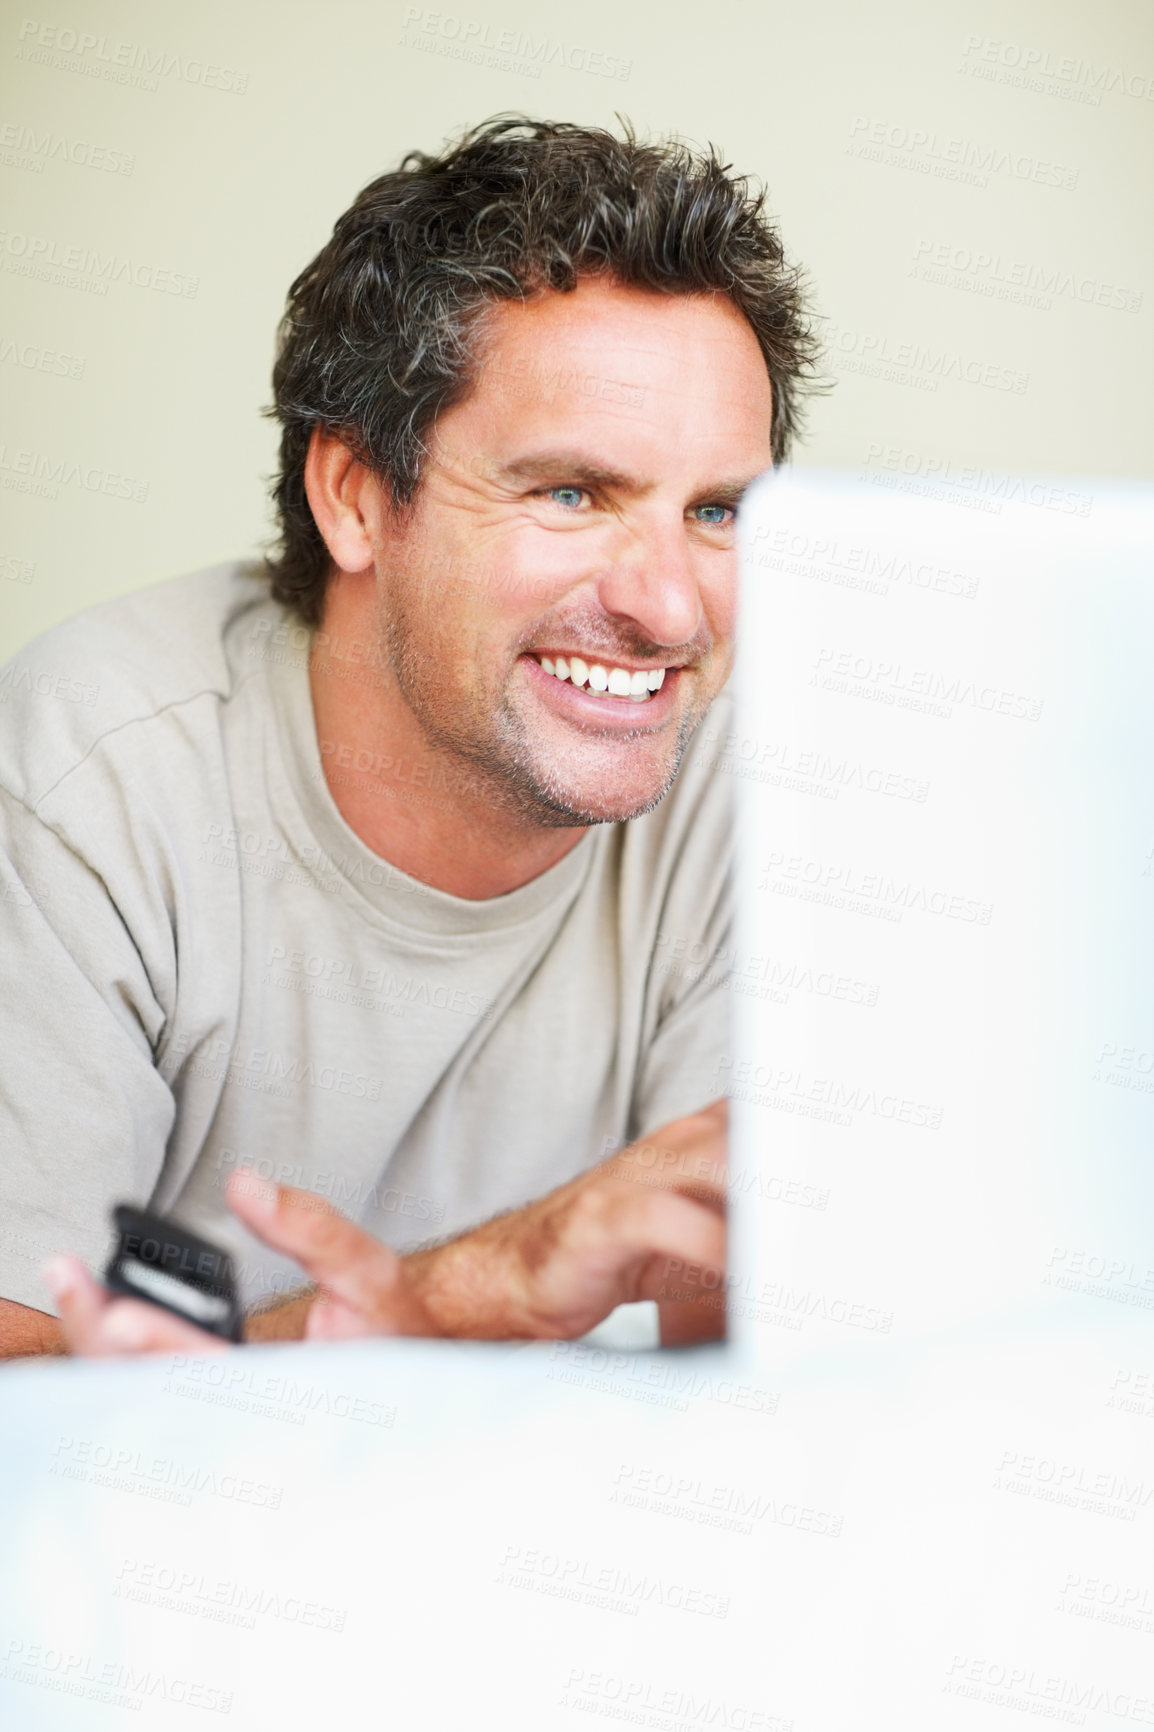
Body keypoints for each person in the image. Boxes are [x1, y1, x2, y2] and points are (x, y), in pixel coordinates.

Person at [0, 115, 818, 1358]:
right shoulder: (86, 777)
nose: (666, 606)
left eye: (715, 509)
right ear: (355, 497)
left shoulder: (768, 786)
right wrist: (454, 1299)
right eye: (568, 493)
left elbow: (768, 1344)